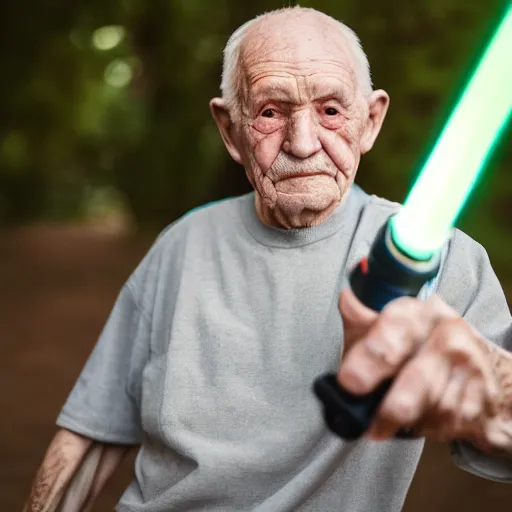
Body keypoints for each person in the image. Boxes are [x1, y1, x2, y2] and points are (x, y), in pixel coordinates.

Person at [24, 6, 512, 512]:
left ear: (370, 121)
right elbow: (90, 438)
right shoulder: (181, 244)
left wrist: (494, 390)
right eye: (271, 112)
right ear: (231, 130)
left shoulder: (439, 255)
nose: (302, 145)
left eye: (330, 111)